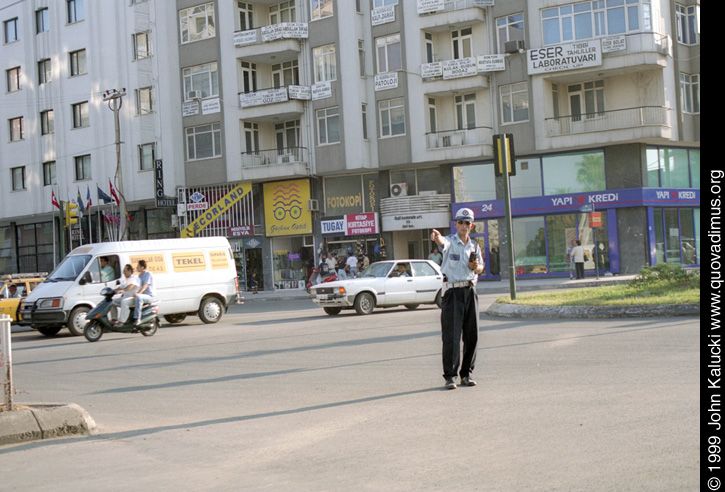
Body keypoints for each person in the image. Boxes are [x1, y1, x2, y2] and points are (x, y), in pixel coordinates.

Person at [431, 207, 483, 390]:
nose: (463, 226)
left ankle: (466, 374)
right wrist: (437, 238)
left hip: (470, 291)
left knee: (472, 335)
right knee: (452, 337)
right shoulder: (449, 242)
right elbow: (441, 242)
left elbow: (480, 269)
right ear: (455, 225)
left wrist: (475, 267)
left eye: (467, 223)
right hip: (453, 293)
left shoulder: (475, 246)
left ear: (472, 225)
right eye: (460, 222)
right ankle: (450, 376)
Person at [133, 259, 156, 325]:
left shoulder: (148, 274)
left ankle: (137, 318)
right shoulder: (140, 275)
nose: (137, 267)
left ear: (142, 267)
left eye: (138, 266)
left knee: (138, 298)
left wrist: (138, 293)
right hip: (143, 295)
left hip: (149, 296)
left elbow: (145, 285)